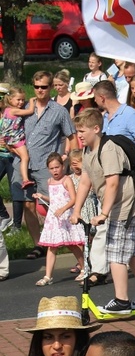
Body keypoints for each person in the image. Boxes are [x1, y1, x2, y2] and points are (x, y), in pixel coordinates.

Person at [71, 108, 135, 315]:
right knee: (133, 251)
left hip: (125, 205)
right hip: (116, 206)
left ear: (96, 128)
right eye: (77, 131)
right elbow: (85, 182)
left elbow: (112, 183)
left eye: (83, 130)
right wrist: (76, 210)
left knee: (115, 253)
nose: (79, 135)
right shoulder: (87, 151)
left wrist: (104, 213)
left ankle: (122, 301)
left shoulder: (108, 149)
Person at [14, 71, 76, 259]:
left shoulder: (59, 110)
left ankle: (65, 238)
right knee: (27, 204)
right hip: (23, 163)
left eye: (44, 86)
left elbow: (71, 136)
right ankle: (38, 244)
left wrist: (66, 156)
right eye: (37, 86)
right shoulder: (25, 108)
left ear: (50, 87)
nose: (40, 90)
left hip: (46, 164)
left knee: (52, 204)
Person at [34, 153, 85, 285]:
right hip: (54, 217)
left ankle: (85, 268)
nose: (55, 170)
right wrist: (42, 196)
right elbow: (54, 199)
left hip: (66, 215)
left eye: (57, 167)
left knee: (72, 245)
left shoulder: (66, 180)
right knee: (52, 247)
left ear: (62, 166)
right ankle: (48, 276)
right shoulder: (49, 182)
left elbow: (73, 198)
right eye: (52, 168)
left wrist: (63, 209)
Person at [0, 85, 36, 188]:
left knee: (20, 155)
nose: (21, 102)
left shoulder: (6, 110)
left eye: (23, 100)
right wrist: (31, 101)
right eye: (18, 100)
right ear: (10, 99)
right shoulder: (13, 110)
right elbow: (30, 111)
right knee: (25, 157)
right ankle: (25, 179)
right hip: (15, 138)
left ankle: (14, 151)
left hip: (9, 139)